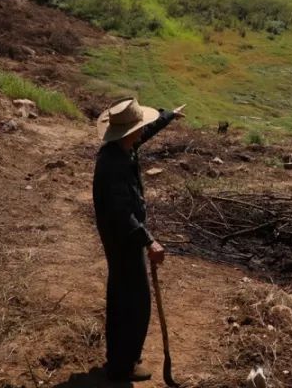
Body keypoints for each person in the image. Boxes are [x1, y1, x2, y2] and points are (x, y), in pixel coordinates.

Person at [92, 97, 185, 383]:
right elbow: (121, 212)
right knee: (134, 302)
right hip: (123, 237)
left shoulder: (121, 149)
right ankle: (123, 365)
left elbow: (147, 132)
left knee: (124, 296)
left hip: (122, 235)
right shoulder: (113, 166)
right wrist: (149, 241)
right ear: (127, 132)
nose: (142, 131)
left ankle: (122, 357)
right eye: (139, 127)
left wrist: (168, 115)